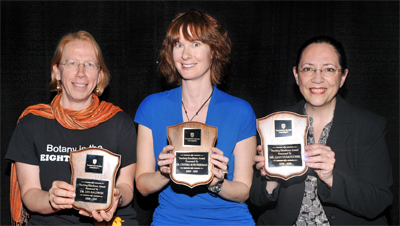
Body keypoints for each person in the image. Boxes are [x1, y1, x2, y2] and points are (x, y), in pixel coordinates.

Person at [250, 36, 393, 225]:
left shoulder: (369, 127)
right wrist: (271, 178)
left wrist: (331, 178)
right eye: (308, 69)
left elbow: (377, 202)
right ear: (296, 75)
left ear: (343, 77)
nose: (317, 79)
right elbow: (256, 199)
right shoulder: (275, 123)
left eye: (329, 69)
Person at [134, 9, 257, 225]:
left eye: (196, 44)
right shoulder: (151, 107)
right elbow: (143, 186)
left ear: (214, 51)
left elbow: (243, 191)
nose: (185, 54)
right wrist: (164, 173)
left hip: (229, 219)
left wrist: (216, 182)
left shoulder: (241, 111)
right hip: (171, 219)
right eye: (178, 44)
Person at [5, 30, 137, 225]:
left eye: (89, 64)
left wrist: (115, 198)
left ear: (100, 74)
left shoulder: (119, 122)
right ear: (57, 71)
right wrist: (51, 200)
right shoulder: (32, 122)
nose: (81, 73)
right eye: (72, 63)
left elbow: (126, 185)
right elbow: (30, 193)